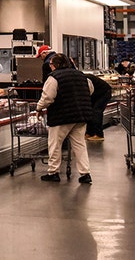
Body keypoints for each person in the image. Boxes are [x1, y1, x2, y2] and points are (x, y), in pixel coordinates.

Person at [36, 53, 94, 183]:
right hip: (81, 115)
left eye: (51, 64)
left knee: (55, 144)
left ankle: (53, 172)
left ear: (55, 65)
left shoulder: (53, 77)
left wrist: (38, 108)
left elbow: (47, 97)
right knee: (79, 145)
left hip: (61, 116)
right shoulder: (81, 75)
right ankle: (85, 174)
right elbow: (90, 90)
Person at [85, 73, 113, 141]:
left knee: (97, 111)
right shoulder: (83, 78)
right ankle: (90, 133)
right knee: (90, 111)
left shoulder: (85, 80)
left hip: (104, 93)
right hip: (96, 94)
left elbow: (88, 91)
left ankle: (99, 134)